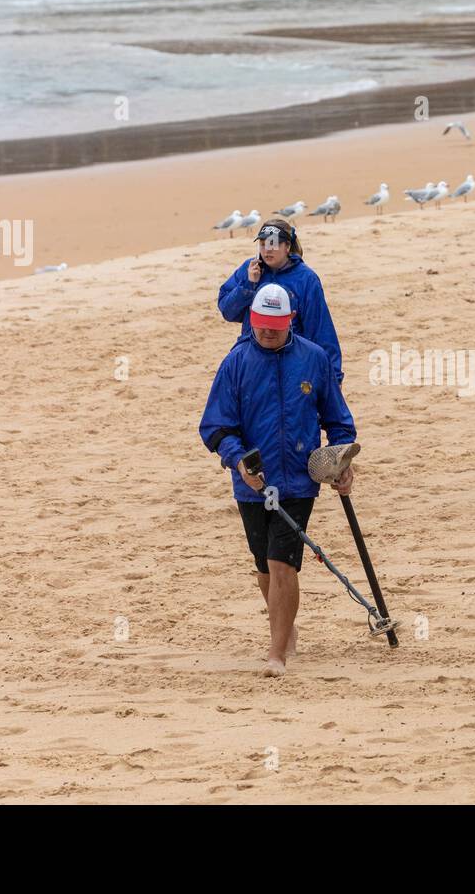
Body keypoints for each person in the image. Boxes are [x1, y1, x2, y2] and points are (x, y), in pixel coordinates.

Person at [199, 283, 356, 677]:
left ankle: (276, 654)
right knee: (264, 568)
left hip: (299, 481)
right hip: (252, 484)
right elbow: (215, 427)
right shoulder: (235, 363)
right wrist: (238, 463)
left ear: (290, 320)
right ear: (252, 320)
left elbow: (337, 419)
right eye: (261, 324)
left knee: (283, 563)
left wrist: (342, 460)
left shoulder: (314, 359)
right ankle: (285, 628)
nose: (268, 332)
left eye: (276, 325)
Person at [216, 219, 344, 384]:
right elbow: (228, 312)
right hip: (253, 360)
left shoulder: (306, 278)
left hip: (292, 361)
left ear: (287, 247)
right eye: (263, 244)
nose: (267, 250)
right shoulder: (250, 269)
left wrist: (334, 378)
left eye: (273, 244)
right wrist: (248, 285)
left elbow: (320, 328)